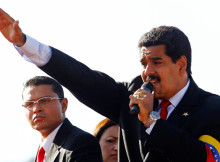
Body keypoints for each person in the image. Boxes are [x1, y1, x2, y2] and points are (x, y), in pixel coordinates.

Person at [1, 8, 220, 162]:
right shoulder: (131, 94)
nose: (148, 72)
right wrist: (23, 42)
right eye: (144, 63)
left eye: (157, 62)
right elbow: (80, 77)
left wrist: (152, 121)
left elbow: (204, 157)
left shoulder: (212, 108)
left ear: (181, 64)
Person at [21, 76, 103, 162]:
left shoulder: (82, 143)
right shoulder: (43, 149)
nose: (36, 109)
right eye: (29, 104)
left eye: (44, 101)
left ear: (63, 105)